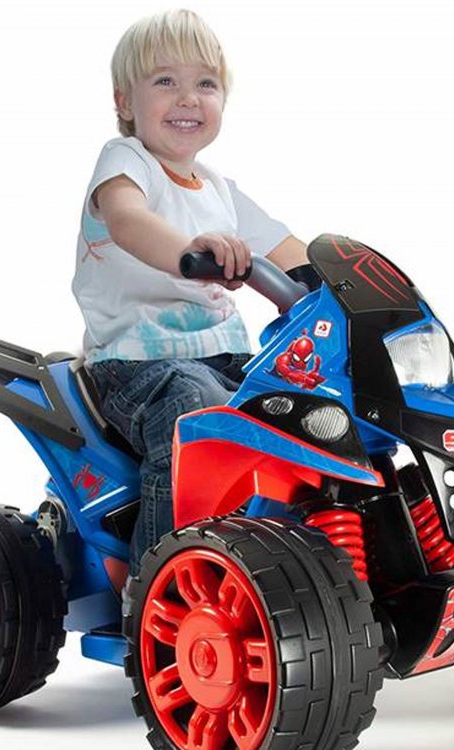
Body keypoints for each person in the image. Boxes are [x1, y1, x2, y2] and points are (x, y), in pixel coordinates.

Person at [72, 9, 309, 572]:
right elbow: (128, 220)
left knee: (305, 409)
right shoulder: (126, 163)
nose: (187, 98)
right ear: (125, 102)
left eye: (205, 83)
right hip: (135, 363)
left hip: (224, 357)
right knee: (194, 412)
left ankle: (297, 563)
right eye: (164, 81)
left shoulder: (220, 188)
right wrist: (187, 252)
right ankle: (158, 580)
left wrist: (352, 286)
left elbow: (290, 250)